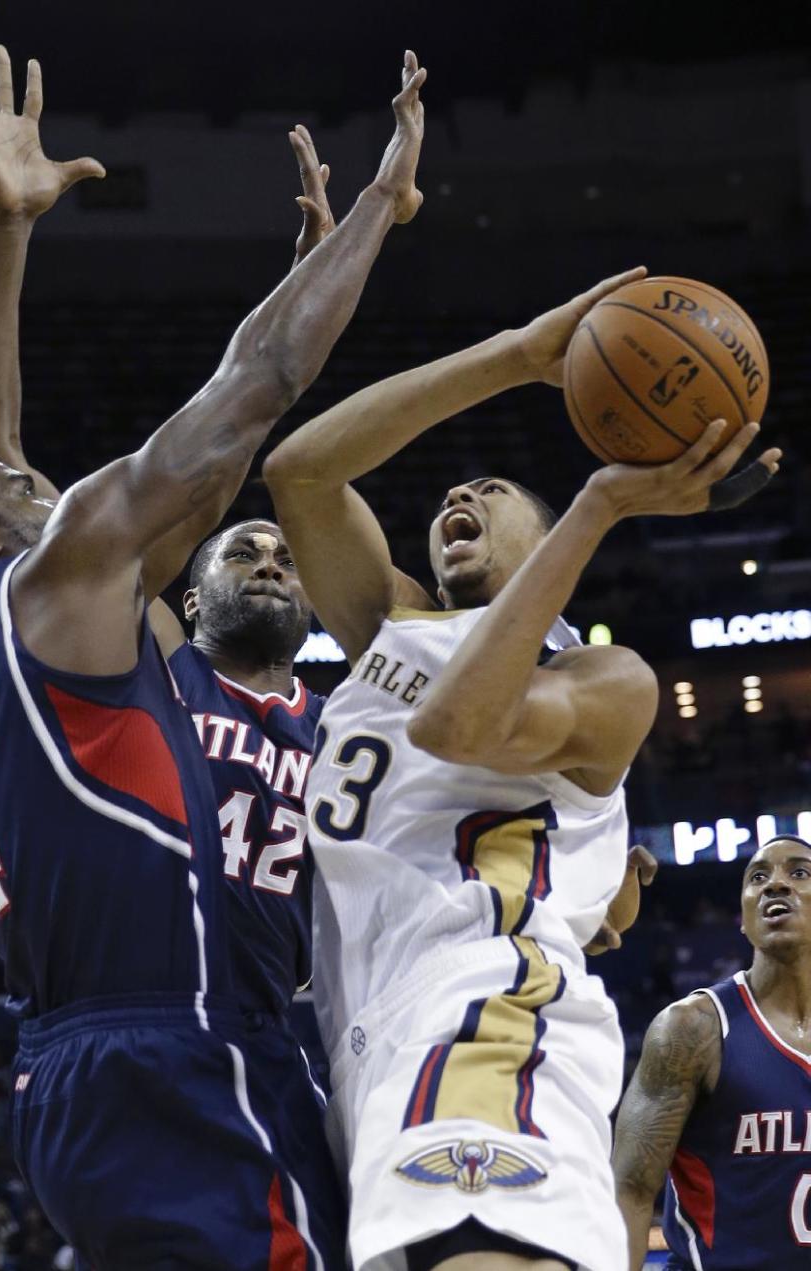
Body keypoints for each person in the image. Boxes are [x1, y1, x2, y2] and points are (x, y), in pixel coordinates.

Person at [0, 43, 426, 1270]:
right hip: (178, 1044)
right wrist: (377, 214)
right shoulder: (52, 578)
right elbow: (255, 386)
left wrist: (7, 226)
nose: (48, 479)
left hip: (72, 1073)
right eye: (28, 486)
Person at [264, 285, 780, 1270]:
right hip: (379, 1030)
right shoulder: (396, 626)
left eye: (493, 493)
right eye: (453, 493)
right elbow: (300, 470)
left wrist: (598, 501)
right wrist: (514, 352)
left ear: (552, 548)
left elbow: (459, 723)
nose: (460, 497)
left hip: (487, 1011)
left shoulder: (601, 679)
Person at [614, 834, 811, 1270]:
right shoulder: (692, 1029)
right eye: (757, 877)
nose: (774, 885)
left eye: (799, 872)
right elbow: (629, 1190)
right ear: (742, 918)